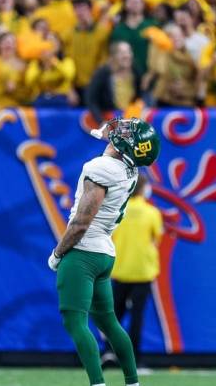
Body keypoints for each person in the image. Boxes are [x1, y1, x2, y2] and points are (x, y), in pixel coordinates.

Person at [48, 117, 161, 386]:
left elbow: (80, 223)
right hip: (105, 253)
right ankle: (132, 382)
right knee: (109, 323)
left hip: (83, 250)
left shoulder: (102, 167)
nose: (119, 129)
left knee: (75, 321)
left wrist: (57, 254)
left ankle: (98, 383)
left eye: (126, 131)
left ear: (127, 146)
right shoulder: (129, 172)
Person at [102, 174, 163, 369]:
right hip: (143, 272)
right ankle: (133, 360)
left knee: (115, 315)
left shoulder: (119, 210)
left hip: (120, 270)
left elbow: (109, 236)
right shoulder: (151, 212)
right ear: (144, 189)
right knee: (137, 316)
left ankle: (109, 353)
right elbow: (157, 239)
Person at [86, 42, 142, 125]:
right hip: (110, 120)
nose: (126, 56)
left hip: (130, 120)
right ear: (113, 56)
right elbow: (91, 100)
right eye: (122, 53)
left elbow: (140, 96)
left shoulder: (136, 71)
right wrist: (101, 122)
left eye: (128, 52)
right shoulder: (103, 73)